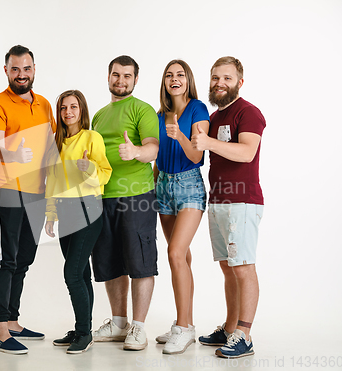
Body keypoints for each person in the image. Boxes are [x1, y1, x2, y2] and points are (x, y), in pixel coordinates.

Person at [0, 45, 56, 355]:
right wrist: (15, 153)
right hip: (6, 188)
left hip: (36, 191)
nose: (21, 75)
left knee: (25, 257)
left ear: (34, 69)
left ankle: (13, 321)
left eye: (26, 69)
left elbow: (51, 149)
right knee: (5, 258)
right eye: (15, 69)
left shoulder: (43, 105)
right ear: (6, 71)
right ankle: (0, 331)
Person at [191, 56, 265, 359]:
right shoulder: (214, 115)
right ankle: (230, 326)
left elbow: (247, 152)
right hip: (219, 201)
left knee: (243, 267)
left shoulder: (248, 113)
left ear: (239, 82)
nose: (220, 83)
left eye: (227, 78)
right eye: (215, 78)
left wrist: (208, 143)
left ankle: (244, 335)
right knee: (227, 267)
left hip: (243, 201)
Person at [91, 55, 159, 351]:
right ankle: (119, 323)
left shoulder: (141, 110)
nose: (120, 80)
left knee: (140, 262)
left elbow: (152, 149)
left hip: (137, 195)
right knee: (110, 262)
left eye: (127, 76)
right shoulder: (98, 115)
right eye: (116, 75)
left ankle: (139, 328)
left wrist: (135, 152)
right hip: (103, 196)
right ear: (108, 78)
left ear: (135, 80)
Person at [44, 90, 112, 354]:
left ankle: (84, 333)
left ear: (82, 110)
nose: (68, 112)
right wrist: (51, 214)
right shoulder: (56, 143)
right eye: (63, 108)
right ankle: (82, 328)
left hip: (88, 209)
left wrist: (89, 169)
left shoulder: (91, 137)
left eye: (73, 107)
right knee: (81, 273)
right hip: (66, 211)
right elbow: (53, 181)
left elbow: (105, 172)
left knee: (71, 273)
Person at [152, 60, 210, 354]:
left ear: (188, 80)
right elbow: (156, 157)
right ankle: (182, 322)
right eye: (169, 75)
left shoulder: (198, 109)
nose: (174, 79)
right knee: (181, 257)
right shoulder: (159, 114)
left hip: (189, 186)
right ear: (164, 81)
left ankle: (184, 328)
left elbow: (197, 155)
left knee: (174, 253)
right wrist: (152, 189)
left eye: (180, 75)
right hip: (163, 185)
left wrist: (181, 135)